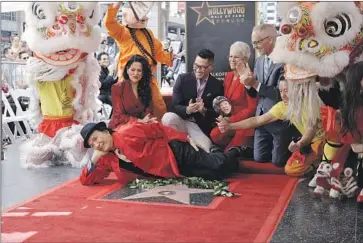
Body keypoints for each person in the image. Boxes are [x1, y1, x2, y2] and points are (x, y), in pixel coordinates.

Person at [218, 74, 325, 177]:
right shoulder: (282, 106)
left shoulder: (309, 102)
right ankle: (318, 164)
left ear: (296, 90)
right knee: (290, 169)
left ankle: (323, 163)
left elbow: (311, 129)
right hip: (309, 144)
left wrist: (300, 143)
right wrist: (230, 126)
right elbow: (257, 120)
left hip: (325, 140)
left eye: (286, 91)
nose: (283, 95)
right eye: (281, 91)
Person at [79, 121, 251, 185]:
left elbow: (158, 128)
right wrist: (93, 160)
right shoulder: (105, 159)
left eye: (95, 138)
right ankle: (228, 155)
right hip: (170, 171)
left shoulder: (127, 131)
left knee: (218, 164)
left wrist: (184, 137)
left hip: (174, 152)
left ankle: (235, 150)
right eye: (92, 144)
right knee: (216, 174)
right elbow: (86, 181)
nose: (96, 144)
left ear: (104, 131)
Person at [104, 2, 173, 120]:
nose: (143, 17)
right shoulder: (123, 32)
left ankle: (160, 130)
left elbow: (158, 53)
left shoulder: (148, 33)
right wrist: (115, 7)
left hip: (147, 78)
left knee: (158, 106)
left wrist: (169, 57)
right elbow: (109, 23)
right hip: (129, 78)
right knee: (129, 109)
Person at [240, 24, 290, 167]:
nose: (254, 46)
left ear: (270, 39)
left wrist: (254, 83)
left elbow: (281, 95)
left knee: (278, 162)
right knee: (259, 158)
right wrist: (247, 83)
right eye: (253, 43)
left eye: (257, 42)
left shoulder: (285, 60)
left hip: (278, 119)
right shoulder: (259, 61)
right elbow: (254, 93)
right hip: (261, 116)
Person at [162, 49, 224, 153]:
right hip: (181, 121)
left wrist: (203, 110)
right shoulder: (182, 79)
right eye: (196, 66)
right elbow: (174, 106)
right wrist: (187, 109)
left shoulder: (217, 85)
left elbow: (217, 114)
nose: (198, 70)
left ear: (210, 68)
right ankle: (179, 148)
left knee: (207, 150)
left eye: (203, 67)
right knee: (168, 117)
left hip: (199, 127)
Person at [210, 42, 257, 151]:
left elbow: (252, 108)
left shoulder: (250, 77)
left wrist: (230, 119)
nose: (232, 59)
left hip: (245, 123)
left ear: (245, 59)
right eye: (230, 56)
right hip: (229, 120)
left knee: (231, 150)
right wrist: (222, 116)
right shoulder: (229, 75)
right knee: (215, 135)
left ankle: (230, 150)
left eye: (236, 57)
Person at [109, 55, 157, 129]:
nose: (136, 73)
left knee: (159, 130)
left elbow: (148, 111)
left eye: (139, 70)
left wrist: (149, 119)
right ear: (127, 70)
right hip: (122, 126)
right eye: (133, 70)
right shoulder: (117, 88)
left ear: (143, 73)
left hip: (142, 124)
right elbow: (119, 116)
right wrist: (139, 121)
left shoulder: (146, 87)